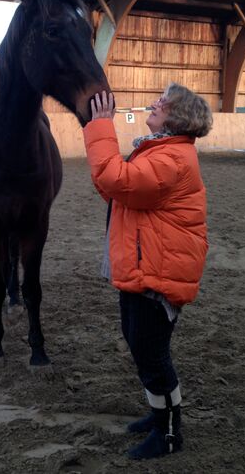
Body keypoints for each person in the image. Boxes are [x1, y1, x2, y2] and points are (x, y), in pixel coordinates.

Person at [83, 82, 212, 460]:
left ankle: (168, 433)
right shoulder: (160, 150)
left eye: (164, 102)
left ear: (178, 116)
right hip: (145, 268)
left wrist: (100, 126)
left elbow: (117, 180)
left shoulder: (171, 158)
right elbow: (117, 190)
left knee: (152, 355)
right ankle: (159, 414)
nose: (155, 103)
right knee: (141, 346)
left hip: (158, 272)